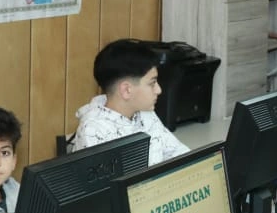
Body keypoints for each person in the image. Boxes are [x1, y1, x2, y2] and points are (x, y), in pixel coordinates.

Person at [71, 38, 189, 167]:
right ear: (127, 90)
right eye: (152, 83)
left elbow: (179, 154)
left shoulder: (146, 114)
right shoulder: (93, 131)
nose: (159, 90)